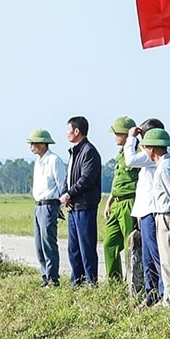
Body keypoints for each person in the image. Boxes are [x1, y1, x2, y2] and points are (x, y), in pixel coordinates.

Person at [130, 126, 170, 307]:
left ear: (153, 148)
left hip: (168, 217)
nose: (145, 150)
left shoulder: (164, 169)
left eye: (146, 147)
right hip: (169, 217)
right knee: (168, 262)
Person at [64, 117, 103, 286]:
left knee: (86, 247)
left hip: (85, 206)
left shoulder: (89, 152)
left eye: (68, 130)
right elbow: (69, 178)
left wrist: (69, 194)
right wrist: (65, 194)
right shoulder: (74, 152)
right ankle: (77, 281)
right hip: (73, 207)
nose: (66, 134)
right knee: (74, 248)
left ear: (77, 131)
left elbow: (86, 179)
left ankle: (91, 282)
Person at [104, 116, 142, 289]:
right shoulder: (121, 155)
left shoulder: (138, 151)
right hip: (117, 202)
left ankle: (133, 283)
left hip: (129, 202)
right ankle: (114, 281)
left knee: (130, 244)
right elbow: (117, 180)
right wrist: (109, 202)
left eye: (116, 133)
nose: (113, 137)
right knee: (109, 244)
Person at [27, 128, 66, 286]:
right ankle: (45, 276)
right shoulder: (38, 162)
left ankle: (52, 278)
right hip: (38, 205)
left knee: (48, 242)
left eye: (34, 144)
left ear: (43, 144)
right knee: (39, 244)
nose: (31, 147)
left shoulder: (54, 160)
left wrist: (60, 205)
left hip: (50, 204)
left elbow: (62, 183)